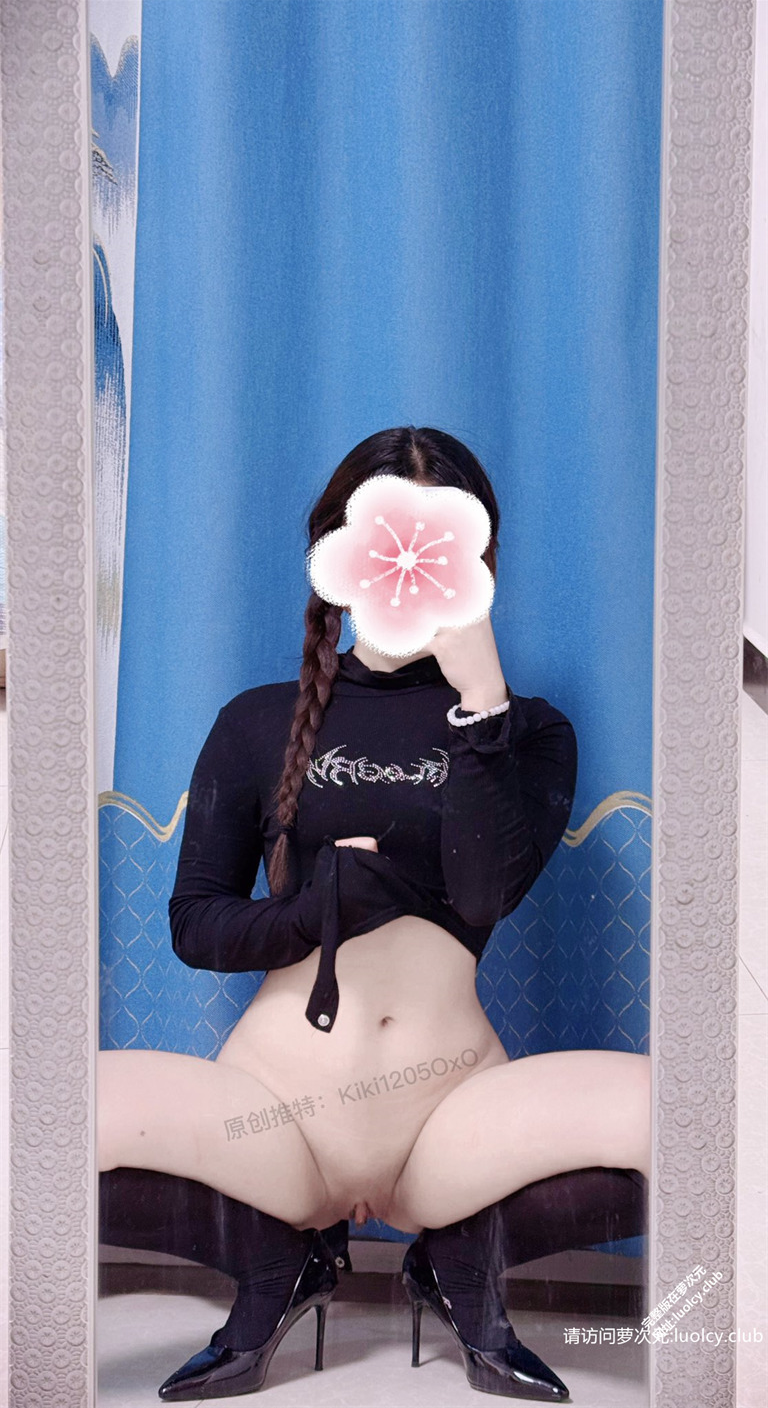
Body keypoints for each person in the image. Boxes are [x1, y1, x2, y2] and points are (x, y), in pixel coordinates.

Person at [98, 425, 650, 1403]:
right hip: (274, 1110)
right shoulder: (256, 720)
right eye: (385, 538)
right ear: (337, 551)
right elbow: (195, 924)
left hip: (452, 1113)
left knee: (690, 1114)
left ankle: (457, 1259)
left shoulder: (529, 732)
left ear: (479, 565)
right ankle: (276, 1260)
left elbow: (482, 894)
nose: (408, 570)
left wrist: (481, 704)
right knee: (51, 1111)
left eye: (440, 546)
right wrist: (316, 911)